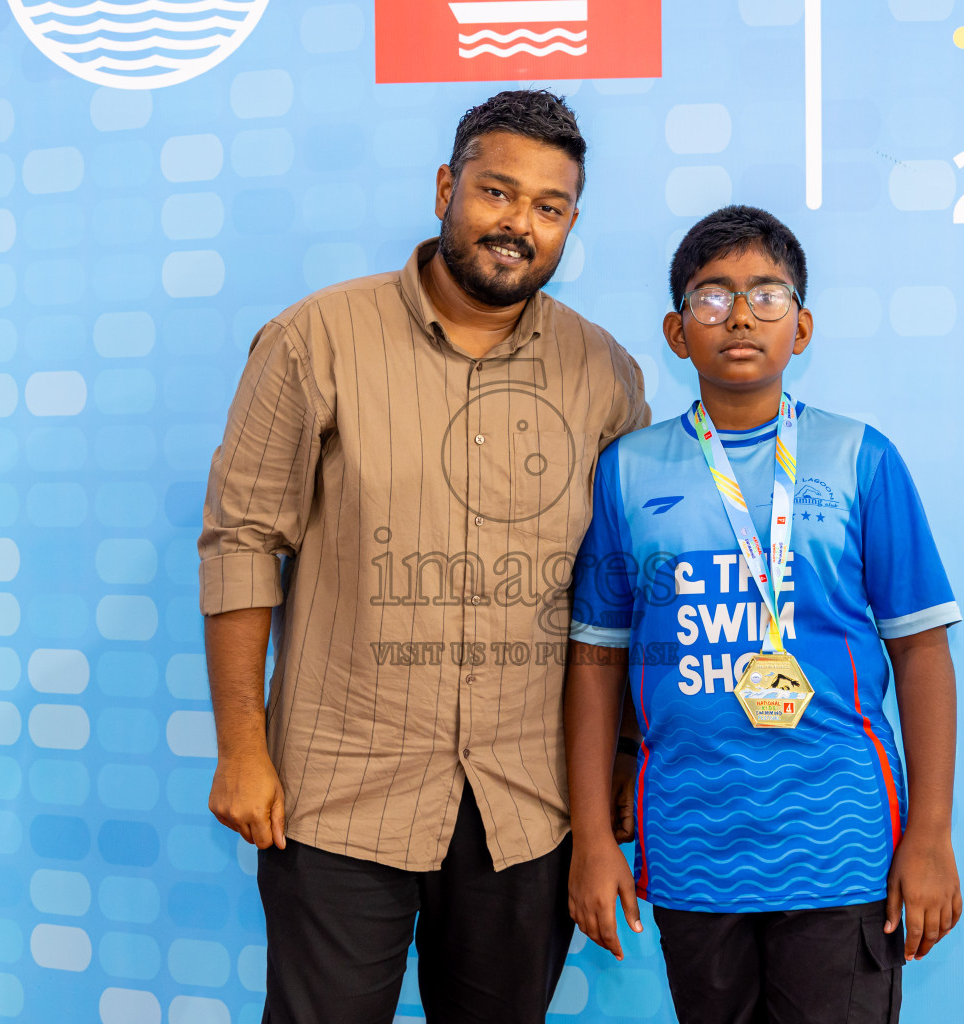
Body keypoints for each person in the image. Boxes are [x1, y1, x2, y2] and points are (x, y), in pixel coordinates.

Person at [197, 90, 649, 1023]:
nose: (518, 224)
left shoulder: (605, 375)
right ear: (447, 188)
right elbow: (242, 542)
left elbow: (620, 590)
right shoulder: (314, 340)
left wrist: (622, 759)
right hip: (336, 794)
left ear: (570, 224)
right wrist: (241, 749)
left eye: (549, 206)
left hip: (526, 805)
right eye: (496, 191)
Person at [564, 205, 962, 1023]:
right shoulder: (627, 471)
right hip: (692, 844)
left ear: (801, 327)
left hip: (841, 843)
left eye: (766, 295)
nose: (740, 316)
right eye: (712, 297)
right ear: (677, 333)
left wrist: (928, 835)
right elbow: (597, 659)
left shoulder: (860, 458)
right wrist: (592, 839)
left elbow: (922, 651)